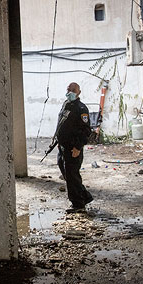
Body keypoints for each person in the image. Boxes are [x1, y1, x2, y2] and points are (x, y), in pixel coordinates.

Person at [54, 82, 93, 213]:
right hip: (63, 147)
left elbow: (86, 130)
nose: (69, 91)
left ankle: (78, 204)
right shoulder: (66, 105)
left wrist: (78, 147)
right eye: (68, 89)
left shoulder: (81, 108)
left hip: (73, 148)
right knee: (66, 172)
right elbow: (62, 123)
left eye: (73, 90)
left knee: (72, 175)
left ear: (78, 92)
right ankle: (84, 196)